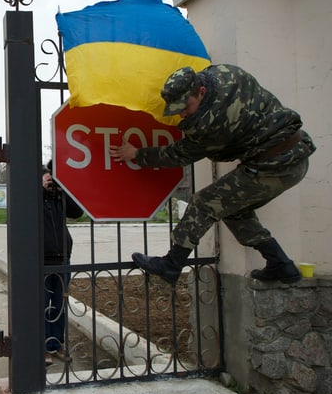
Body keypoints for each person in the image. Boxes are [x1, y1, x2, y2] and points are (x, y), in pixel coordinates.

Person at [109, 64, 315, 285]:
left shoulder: (209, 123)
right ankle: (281, 265)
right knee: (232, 209)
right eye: (177, 109)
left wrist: (137, 154)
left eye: (185, 107)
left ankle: (171, 265)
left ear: (201, 91)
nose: (182, 114)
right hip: (295, 153)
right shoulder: (225, 72)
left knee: (203, 203)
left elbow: (179, 155)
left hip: (274, 166)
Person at [42, 161, 83, 365]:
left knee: (59, 305)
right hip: (41, 261)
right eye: (47, 177)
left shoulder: (59, 198)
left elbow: (77, 213)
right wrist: (42, 190)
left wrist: (62, 189)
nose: (51, 180)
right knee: (41, 305)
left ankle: (56, 344)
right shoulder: (35, 198)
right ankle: (42, 346)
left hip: (63, 259)